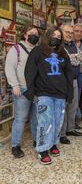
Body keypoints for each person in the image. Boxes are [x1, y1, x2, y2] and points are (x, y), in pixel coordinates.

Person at [24, 26, 74, 165]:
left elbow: (69, 74)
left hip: (60, 93)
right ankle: (42, 150)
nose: (56, 38)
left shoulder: (63, 53)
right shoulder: (37, 51)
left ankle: (52, 144)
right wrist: (31, 91)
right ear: (48, 36)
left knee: (57, 122)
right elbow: (30, 72)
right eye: (54, 35)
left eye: (59, 37)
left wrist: (70, 92)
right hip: (44, 93)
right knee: (45, 121)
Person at [5, 25, 39, 158]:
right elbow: (9, 68)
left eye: (36, 33)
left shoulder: (38, 50)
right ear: (25, 35)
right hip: (22, 89)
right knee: (20, 118)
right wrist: (15, 85)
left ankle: (37, 140)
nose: (34, 35)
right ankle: (16, 145)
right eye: (31, 33)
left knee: (36, 117)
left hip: (36, 90)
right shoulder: (16, 49)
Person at [60, 24, 82, 145]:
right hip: (64, 81)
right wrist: (74, 57)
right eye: (67, 32)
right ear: (61, 32)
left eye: (71, 32)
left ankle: (70, 129)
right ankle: (62, 134)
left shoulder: (73, 44)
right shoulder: (59, 46)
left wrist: (74, 57)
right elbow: (68, 61)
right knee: (64, 108)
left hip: (75, 80)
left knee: (73, 106)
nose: (70, 34)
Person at [73, 23, 82, 127]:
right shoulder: (69, 43)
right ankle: (73, 120)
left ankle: (75, 119)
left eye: (81, 32)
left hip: (80, 74)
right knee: (72, 98)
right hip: (71, 73)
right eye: (76, 31)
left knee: (77, 98)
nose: (79, 33)